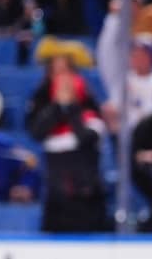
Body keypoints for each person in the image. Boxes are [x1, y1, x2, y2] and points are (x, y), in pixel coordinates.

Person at [28, 67, 110, 232]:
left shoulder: (92, 120)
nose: (64, 92)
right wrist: (58, 107)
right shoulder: (49, 122)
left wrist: (71, 107)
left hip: (87, 203)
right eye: (60, 88)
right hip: (56, 204)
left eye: (68, 88)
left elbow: (85, 139)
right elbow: (36, 133)